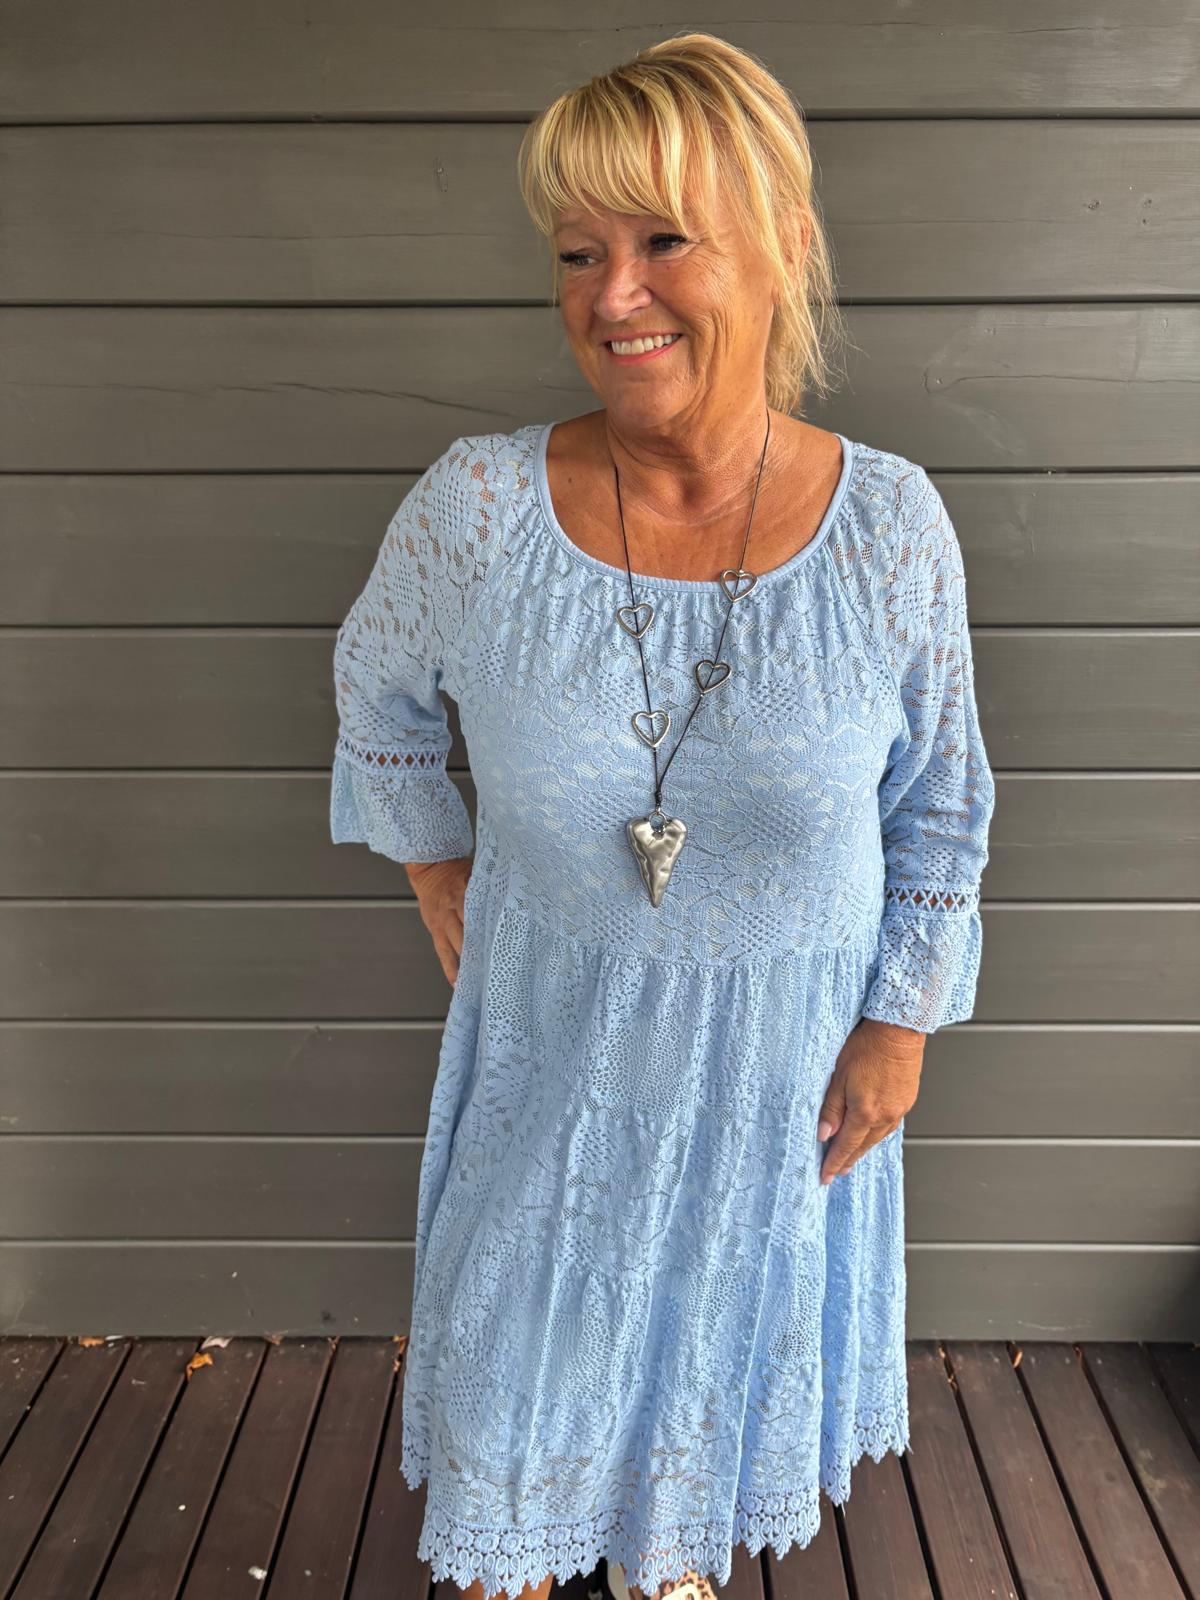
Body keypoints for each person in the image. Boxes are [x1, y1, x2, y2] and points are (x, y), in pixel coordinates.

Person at [329, 31, 995, 1600]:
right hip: (551, 1081)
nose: (613, 296)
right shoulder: (479, 510)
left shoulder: (889, 528)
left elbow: (942, 803)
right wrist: (440, 871)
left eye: (663, 241)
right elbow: (375, 692)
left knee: (696, 1433)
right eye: (578, 253)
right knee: (512, 1437)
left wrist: (899, 1026)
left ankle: (669, 1560)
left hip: (779, 1096)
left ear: (785, 247)